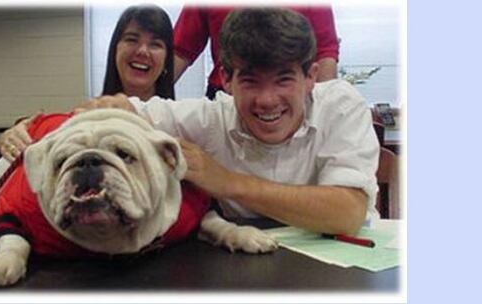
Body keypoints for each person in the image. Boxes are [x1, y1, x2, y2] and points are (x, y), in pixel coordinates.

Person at [76, 8, 380, 236]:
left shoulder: (341, 106)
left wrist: (226, 181)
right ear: (226, 79)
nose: (267, 100)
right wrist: (29, 131)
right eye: (250, 81)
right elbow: (113, 111)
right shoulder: (210, 119)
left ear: (311, 77)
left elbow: (348, 213)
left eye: (284, 80)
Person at [0, 5, 175, 161]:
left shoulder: (181, 126)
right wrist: (14, 136)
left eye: (155, 44)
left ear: (166, 60)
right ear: (115, 50)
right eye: (132, 39)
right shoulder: (85, 117)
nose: (143, 51)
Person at [172, 5, 340, 99]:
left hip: (289, 96)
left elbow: (325, 53)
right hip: (226, 96)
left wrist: (324, 111)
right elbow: (180, 51)